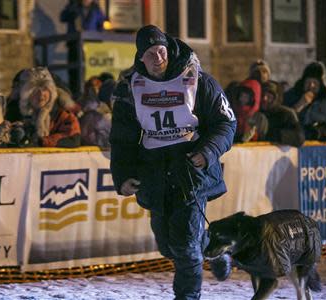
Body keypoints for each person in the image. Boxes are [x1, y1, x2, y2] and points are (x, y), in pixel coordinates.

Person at [109, 25, 236, 299]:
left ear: (169, 49)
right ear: (140, 57)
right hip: (154, 173)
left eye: (161, 51)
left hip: (190, 170)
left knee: (185, 246)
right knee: (168, 246)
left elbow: (226, 123)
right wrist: (123, 176)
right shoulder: (131, 87)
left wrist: (208, 152)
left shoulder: (199, 80)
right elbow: (122, 139)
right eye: (151, 53)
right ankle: (215, 246)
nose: (158, 58)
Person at [19, 67, 81, 147]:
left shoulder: (64, 116)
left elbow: (73, 138)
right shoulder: (18, 114)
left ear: (51, 92)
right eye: (35, 90)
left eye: (45, 89)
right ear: (27, 96)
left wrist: (42, 141)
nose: (41, 94)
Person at [284, 61, 326, 141]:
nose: (311, 86)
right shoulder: (291, 96)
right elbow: (282, 122)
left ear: (322, 84)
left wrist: (319, 133)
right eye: (308, 82)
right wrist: (298, 106)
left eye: (315, 83)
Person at [60, 0, 105, 94]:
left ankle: (91, 94)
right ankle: (76, 94)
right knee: (74, 72)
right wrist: (72, 9)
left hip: (91, 45)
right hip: (75, 44)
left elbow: (102, 25)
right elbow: (63, 17)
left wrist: (99, 38)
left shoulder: (96, 9)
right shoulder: (73, 6)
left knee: (91, 71)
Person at [260, 80, 305, 147]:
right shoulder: (255, 112)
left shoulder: (286, 113)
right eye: (262, 95)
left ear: (276, 98)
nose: (265, 99)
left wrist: (277, 135)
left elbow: (299, 138)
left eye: (269, 97)